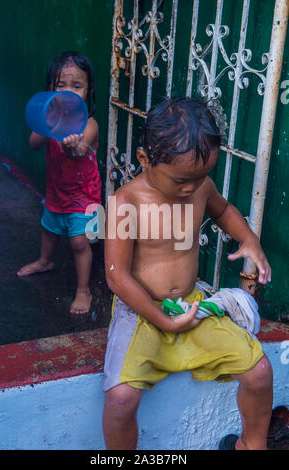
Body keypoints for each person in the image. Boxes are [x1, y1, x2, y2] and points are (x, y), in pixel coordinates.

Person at [102, 97, 273, 450]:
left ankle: (252, 444)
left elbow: (224, 210)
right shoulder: (125, 202)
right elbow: (117, 277)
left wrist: (250, 240)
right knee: (120, 399)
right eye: (182, 180)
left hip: (192, 306)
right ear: (145, 160)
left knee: (258, 371)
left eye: (201, 177)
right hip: (141, 313)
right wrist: (162, 321)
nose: (191, 188)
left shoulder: (199, 188)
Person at [17, 51, 101, 314]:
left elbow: (78, 152)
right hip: (56, 191)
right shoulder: (49, 119)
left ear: (88, 91)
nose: (68, 92)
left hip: (83, 195)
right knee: (49, 229)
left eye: (76, 86)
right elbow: (33, 144)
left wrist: (70, 148)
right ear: (50, 89)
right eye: (60, 85)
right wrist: (48, 124)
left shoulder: (90, 124)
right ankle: (44, 261)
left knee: (78, 242)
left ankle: (83, 289)